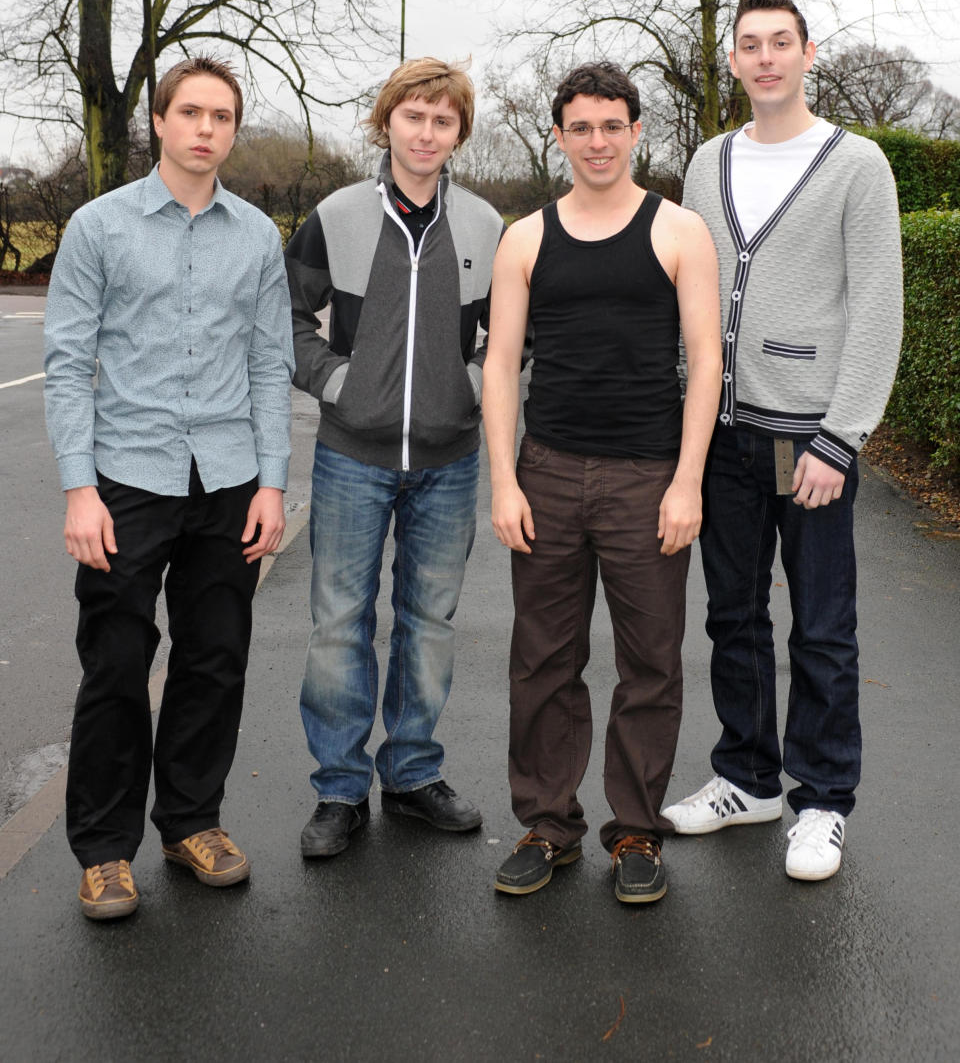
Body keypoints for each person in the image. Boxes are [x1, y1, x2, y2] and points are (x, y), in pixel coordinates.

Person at [44, 56, 295, 920]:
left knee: (215, 657)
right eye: (190, 112)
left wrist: (273, 484)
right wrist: (80, 489)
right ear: (160, 121)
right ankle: (104, 850)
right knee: (115, 662)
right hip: (126, 478)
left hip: (227, 479)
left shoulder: (257, 236)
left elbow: (269, 363)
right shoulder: (98, 226)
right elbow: (69, 363)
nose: (205, 129)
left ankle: (193, 821)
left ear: (232, 129)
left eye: (222, 116)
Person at [663, 0, 904, 881]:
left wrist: (841, 436)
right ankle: (747, 776)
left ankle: (823, 798)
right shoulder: (707, 160)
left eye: (781, 43)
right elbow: (690, 286)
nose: (766, 58)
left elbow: (879, 308)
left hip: (809, 437)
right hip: (721, 432)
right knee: (733, 616)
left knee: (823, 626)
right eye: (749, 45)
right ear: (732, 60)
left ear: (809, 53)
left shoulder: (857, 164)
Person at [483, 61, 722, 902]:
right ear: (559, 136)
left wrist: (687, 481)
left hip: (647, 475)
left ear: (636, 131)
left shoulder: (679, 231)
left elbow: (705, 365)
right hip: (547, 472)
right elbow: (503, 367)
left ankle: (636, 831)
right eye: (580, 127)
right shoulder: (526, 238)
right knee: (542, 658)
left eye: (611, 125)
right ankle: (549, 826)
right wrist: (504, 481)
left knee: (650, 661)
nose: (597, 141)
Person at [284, 57, 504, 858]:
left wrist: (470, 386)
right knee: (339, 622)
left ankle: (411, 773)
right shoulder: (336, 215)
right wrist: (337, 381)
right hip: (352, 456)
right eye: (413, 116)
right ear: (388, 122)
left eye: (443, 120)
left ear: (458, 135)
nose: (426, 132)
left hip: (449, 461)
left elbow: (522, 339)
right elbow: (287, 317)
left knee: (429, 621)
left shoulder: (486, 226)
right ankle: (339, 790)